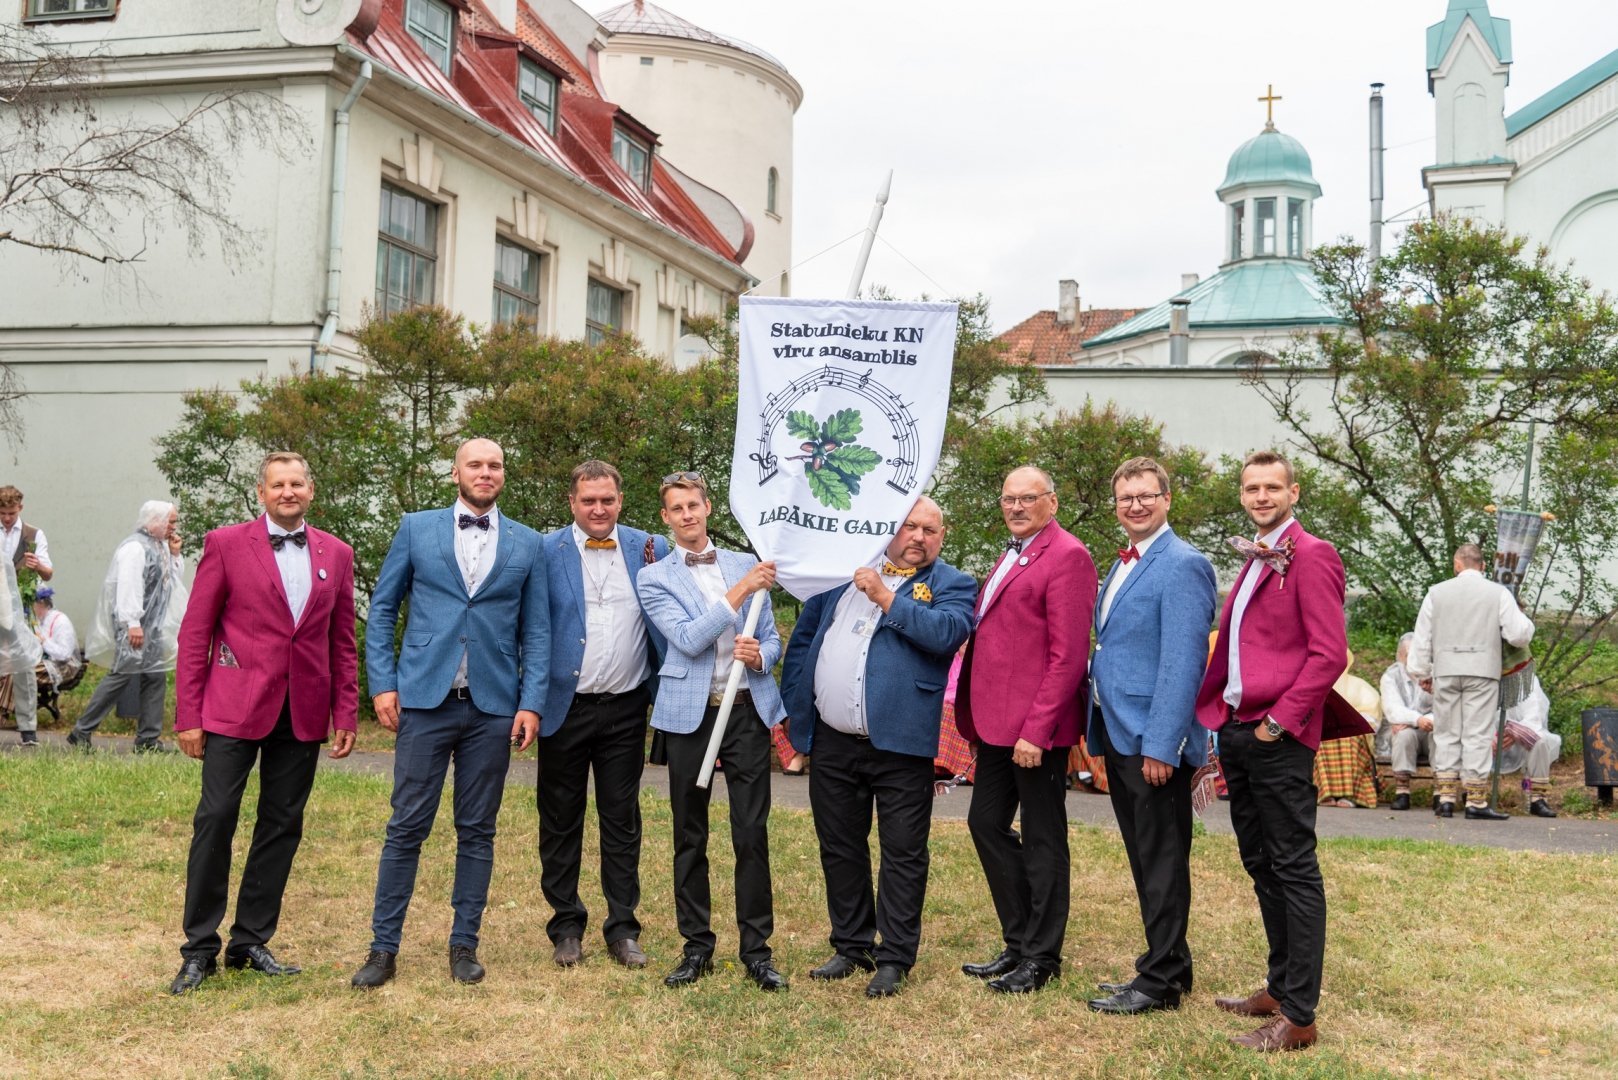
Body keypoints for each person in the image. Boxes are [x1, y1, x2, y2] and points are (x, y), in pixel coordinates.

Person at [350, 438, 549, 989]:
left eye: (495, 465)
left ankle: (465, 944)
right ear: (456, 473)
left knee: (478, 830)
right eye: (475, 465)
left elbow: (536, 630)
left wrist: (531, 701)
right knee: (406, 827)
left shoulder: (528, 542)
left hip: (493, 707)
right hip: (424, 701)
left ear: (503, 474)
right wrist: (383, 684)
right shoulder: (416, 528)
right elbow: (382, 608)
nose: (486, 473)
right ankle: (383, 949)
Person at [168, 452, 360, 994]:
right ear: (261, 492)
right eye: (278, 485)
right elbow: (195, 632)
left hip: (302, 713)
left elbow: (342, 641)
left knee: (281, 824)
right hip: (233, 708)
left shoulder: (336, 553)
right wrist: (189, 715)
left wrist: (345, 710)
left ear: (311, 490)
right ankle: (199, 949)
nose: (287, 492)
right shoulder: (226, 544)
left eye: (297, 483)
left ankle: (250, 940)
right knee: (216, 818)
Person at [779, 496, 975, 998]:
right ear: (890, 528)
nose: (918, 536)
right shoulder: (841, 574)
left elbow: (946, 634)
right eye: (909, 526)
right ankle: (851, 945)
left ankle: (894, 957)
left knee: (903, 852)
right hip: (833, 740)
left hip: (903, 744)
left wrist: (886, 596)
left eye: (930, 529)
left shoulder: (953, 584)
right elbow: (804, 644)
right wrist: (797, 717)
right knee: (839, 845)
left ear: (942, 537)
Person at [1195, 450, 1347, 1053]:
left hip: (1277, 735)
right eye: (1252, 488)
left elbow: (1329, 654)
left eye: (1272, 488)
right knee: (1260, 862)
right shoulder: (1256, 558)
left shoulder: (1313, 554)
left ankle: (1299, 1017)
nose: (1261, 496)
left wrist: (1278, 724)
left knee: (1292, 867)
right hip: (1237, 729)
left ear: (1293, 492)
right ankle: (1280, 989)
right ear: (1242, 495)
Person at [635, 472, 789, 992]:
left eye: (694, 505)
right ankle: (696, 946)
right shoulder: (654, 578)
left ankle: (757, 951)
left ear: (707, 509)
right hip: (690, 714)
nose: (687, 515)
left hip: (746, 710)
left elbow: (771, 639)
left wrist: (761, 656)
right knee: (689, 833)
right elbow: (687, 638)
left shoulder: (746, 562)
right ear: (666, 517)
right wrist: (743, 589)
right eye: (676, 508)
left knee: (751, 832)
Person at [954, 466, 1098, 994]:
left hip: (1037, 730)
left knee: (1043, 839)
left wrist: (1036, 730)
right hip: (996, 725)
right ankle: (1018, 941)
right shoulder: (1014, 551)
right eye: (1008, 499)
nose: (1016, 507)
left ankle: (1041, 958)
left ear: (1051, 503)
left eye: (1028, 498)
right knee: (985, 823)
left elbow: (1068, 656)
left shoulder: (1069, 556)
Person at [1085, 457, 1217, 1016]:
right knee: (1147, 857)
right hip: (1119, 732)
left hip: (1151, 741)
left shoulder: (1183, 563)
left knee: (1161, 861)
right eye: (1125, 498)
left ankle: (1158, 982)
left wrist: (1163, 745)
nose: (1135, 505)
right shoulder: (1123, 562)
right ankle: (1171, 966)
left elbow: (1184, 662)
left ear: (1166, 499)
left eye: (1145, 495)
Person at [537, 460, 668, 969]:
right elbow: (530, 627)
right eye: (588, 500)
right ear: (572, 502)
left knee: (622, 820)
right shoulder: (545, 550)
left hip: (627, 707)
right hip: (563, 707)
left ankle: (623, 928)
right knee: (560, 820)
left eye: (607, 500)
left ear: (620, 501)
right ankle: (566, 926)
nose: (598, 509)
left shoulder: (650, 547)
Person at [1406, 543, 1536, 820]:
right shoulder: (1498, 593)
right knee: (1478, 733)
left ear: (1457, 564)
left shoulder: (1436, 593)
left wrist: (1422, 672)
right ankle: (1475, 802)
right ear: (1484, 566)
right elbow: (1519, 635)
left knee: (1446, 732)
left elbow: (1422, 637)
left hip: (1446, 670)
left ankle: (1445, 799)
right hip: (1482, 670)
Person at [73, 501, 188, 752]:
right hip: (134, 627)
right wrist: (133, 623)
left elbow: (171, 583)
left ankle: (148, 739)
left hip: (152, 628)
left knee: (155, 677)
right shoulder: (135, 548)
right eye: (170, 521)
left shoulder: (159, 546)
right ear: (155, 521)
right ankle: (81, 731)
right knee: (122, 676)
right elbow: (128, 585)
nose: (174, 526)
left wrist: (175, 554)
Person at [1314, 656, 1381, 809]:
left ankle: (1351, 795)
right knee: (1322, 739)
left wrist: (1349, 721)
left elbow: (1371, 713)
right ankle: (1325, 792)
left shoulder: (1360, 685)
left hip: (1353, 732)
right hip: (1323, 730)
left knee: (1348, 738)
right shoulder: (1318, 684)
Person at [1379, 633, 1434, 812]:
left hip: (1432, 727)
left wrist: (1426, 720)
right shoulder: (1390, 676)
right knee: (1403, 734)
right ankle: (1402, 793)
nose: (1414, 658)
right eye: (1409, 654)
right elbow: (1393, 709)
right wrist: (1417, 720)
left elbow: (1446, 706)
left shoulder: (1435, 674)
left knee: (1440, 735)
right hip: (1405, 730)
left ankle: (1441, 794)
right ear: (1399, 656)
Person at [1498, 675, 1561, 818]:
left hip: (1518, 738)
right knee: (1469, 739)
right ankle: (1471, 795)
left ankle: (1537, 799)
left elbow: (1533, 717)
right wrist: (1488, 738)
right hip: (1488, 738)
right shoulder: (1484, 676)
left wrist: (1514, 732)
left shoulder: (1527, 679)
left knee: (1540, 742)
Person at [0, 553, 43, 746]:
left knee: (24, 667)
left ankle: (28, 729)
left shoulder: (30, 538)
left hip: (14, 612)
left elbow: (47, 572)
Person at [0, 485, 53, 582]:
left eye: (12, 513)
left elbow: (48, 575)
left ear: (20, 508)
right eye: (2, 513)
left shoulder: (35, 535)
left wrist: (38, 566)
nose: (7, 518)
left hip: (23, 591)